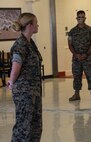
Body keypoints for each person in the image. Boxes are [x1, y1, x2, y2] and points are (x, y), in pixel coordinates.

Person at [7, 13, 43, 142]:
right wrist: (11, 82)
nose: (38, 25)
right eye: (36, 23)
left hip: (34, 91)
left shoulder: (30, 43)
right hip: (24, 93)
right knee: (23, 127)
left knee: (35, 126)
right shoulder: (20, 44)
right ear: (29, 26)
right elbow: (15, 68)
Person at [68, 10, 91, 101]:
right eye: (79, 17)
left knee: (90, 76)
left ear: (85, 18)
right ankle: (76, 94)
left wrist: (86, 54)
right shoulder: (72, 31)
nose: (81, 19)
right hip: (76, 58)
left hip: (87, 58)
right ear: (76, 18)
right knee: (76, 76)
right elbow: (70, 45)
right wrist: (76, 54)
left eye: (82, 17)